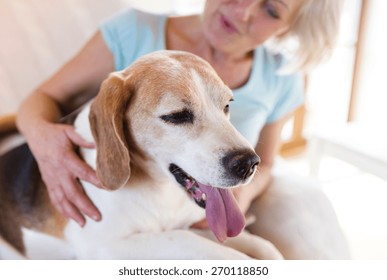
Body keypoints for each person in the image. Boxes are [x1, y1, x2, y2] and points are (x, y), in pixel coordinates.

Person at [16, 0, 348, 258]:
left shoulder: (281, 77)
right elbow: (42, 98)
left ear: (289, 28)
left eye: (272, 9)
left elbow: (268, 162)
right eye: (178, 115)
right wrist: (43, 140)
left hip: (204, 193)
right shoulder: (133, 31)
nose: (243, 10)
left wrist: (241, 198)